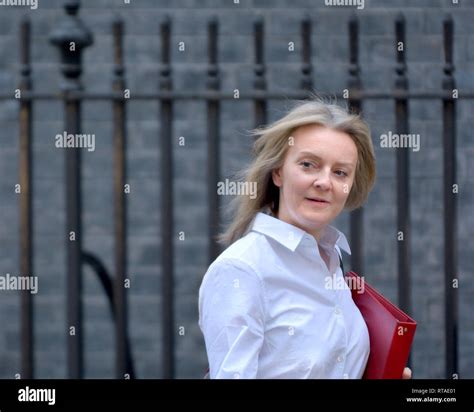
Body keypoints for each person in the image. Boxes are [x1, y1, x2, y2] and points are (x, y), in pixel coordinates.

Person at [198, 99, 411, 379]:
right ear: (278, 172)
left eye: (340, 172)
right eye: (309, 164)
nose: (324, 182)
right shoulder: (242, 270)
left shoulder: (331, 261)